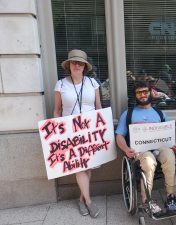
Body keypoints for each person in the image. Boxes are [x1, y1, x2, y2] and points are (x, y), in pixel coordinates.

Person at [115, 81, 176, 216]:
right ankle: (146, 200)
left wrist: (172, 144)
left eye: (145, 91)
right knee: (149, 161)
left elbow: (168, 134)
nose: (143, 95)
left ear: (151, 93)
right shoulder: (128, 114)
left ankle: (171, 197)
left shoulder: (159, 113)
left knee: (169, 155)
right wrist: (126, 149)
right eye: (139, 93)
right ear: (135, 95)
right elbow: (119, 136)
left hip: (159, 147)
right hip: (140, 151)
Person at [53, 49, 102, 218]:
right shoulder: (61, 84)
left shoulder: (92, 83)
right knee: (80, 166)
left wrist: (102, 126)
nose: (77, 65)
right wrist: (57, 131)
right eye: (74, 62)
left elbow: (98, 107)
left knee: (87, 165)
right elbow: (57, 110)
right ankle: (89, 202)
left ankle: (81, 199)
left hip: (90, 130)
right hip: (70, 130)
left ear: (84, 66)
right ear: (69, 65)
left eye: (80, 63)